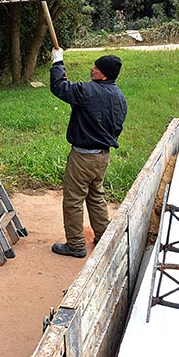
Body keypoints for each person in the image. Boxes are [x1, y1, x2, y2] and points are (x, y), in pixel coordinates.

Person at [49, 49, 127, 258]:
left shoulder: (87, 91)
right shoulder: (119, 96)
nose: (92, 68)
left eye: (96, 67)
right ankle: (102, 235)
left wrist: (57, 62)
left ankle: (75, 245)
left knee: (73, 200)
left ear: (103, 74)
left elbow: (59, 88)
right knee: (95, 197)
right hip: (102, 157)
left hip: (82, 158)